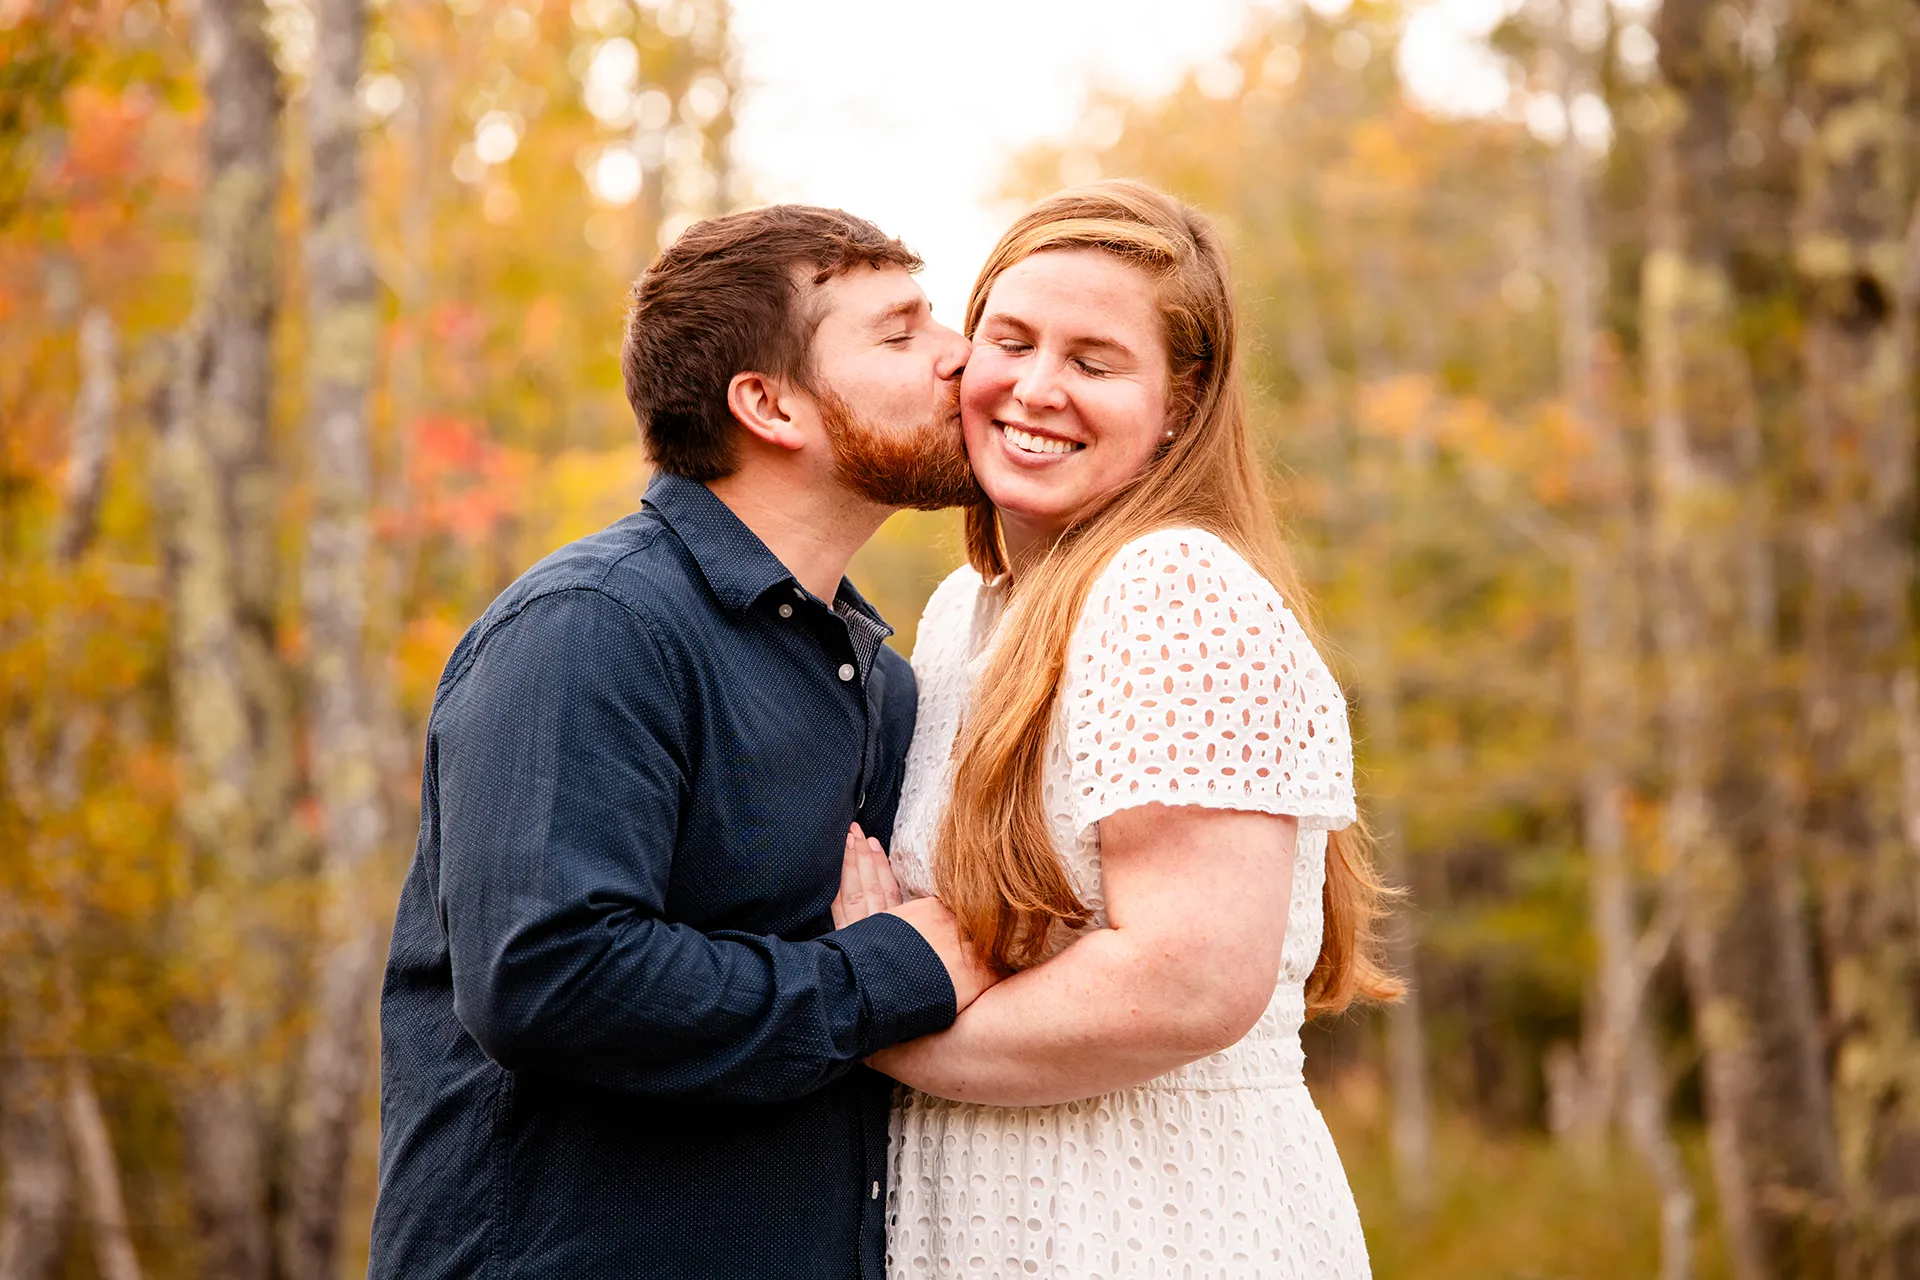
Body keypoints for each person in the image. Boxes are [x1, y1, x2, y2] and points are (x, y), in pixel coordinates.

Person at [368, 204, 997, 1279]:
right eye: (901, 333)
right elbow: (550, 974)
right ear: (767, 402)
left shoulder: (884, 686)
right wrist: (877, 976)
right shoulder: (592, 626)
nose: (963, 358)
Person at [831, 181, 1402, 1278]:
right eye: (1012, 340)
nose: (1038, 389)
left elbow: (1189, 979)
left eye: (1095, 361)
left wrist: (871, 1007)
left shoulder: (1171, 587)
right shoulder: (966, 612)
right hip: (988, 1211)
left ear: (1182, 403)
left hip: (1151, 1216)